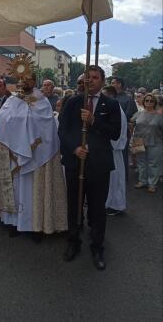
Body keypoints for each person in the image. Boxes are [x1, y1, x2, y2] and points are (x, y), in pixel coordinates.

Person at [0, 72, 67, 241]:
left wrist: (25, 122)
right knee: (16, 190)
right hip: (13, 155)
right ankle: (14, 223)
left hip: (37, 157)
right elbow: (3, 121)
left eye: (29, 78)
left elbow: (46, 124)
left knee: (35, 191)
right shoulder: (11, 101)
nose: (26, 80)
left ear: (34, 80)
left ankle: (36, 225)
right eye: (22, 78)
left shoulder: (42, 101)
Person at [59, 65, 121, 270]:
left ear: (103, 81)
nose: (90, 81)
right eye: (87, 78)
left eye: (95, 77)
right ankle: (73, 241)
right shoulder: (72, 101)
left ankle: (97, 246)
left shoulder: (111, 104)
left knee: (97, 208)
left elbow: (114, 133)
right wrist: (75, 148)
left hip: (99, 165)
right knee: (74, 204)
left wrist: (94, 121)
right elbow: (63, 130)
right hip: (75, 162)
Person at [102, 86, 127, 216]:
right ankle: (108, 202)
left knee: (115, 179)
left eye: (104, 95)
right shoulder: (109, 109)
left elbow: (118, 132)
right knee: (109, 180)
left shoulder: (116, 110)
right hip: (108, 149)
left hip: (113, 149)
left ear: (110, 96)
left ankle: (116, 205)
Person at [131, 93, 163, 193]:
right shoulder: (138, 113)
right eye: (147, 100)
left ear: (155, 103)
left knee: (153, 164)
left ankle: (152, 184)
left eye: (151, 101)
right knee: (141, 163)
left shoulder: (159, 116)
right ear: (144, 102)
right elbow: (131, 123)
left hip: (155, 142)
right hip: (138, 141)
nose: (149, 102)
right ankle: (142, 181)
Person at [111, 77, 138, 180]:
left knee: (122, 155)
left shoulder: (128, 99)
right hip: (110, 131)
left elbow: (131, 116)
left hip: (122, 131)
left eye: (113, 83)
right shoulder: (111, 97)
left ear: (119, 85)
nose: (111, 84)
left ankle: (122, 177)